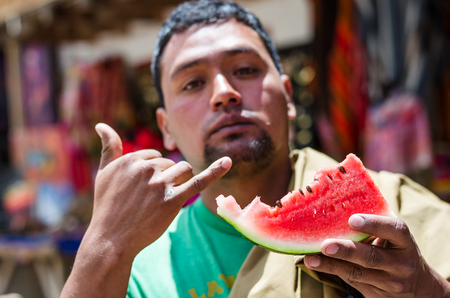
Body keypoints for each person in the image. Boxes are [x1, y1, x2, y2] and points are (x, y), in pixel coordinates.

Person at [61, 0, 450, 297]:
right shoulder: (138, 270)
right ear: (166, 130)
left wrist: (429, 289)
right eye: (193, 83)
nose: (224, 93)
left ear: (288, 96)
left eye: (245, 70)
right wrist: (103, 248)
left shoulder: (396, 202)